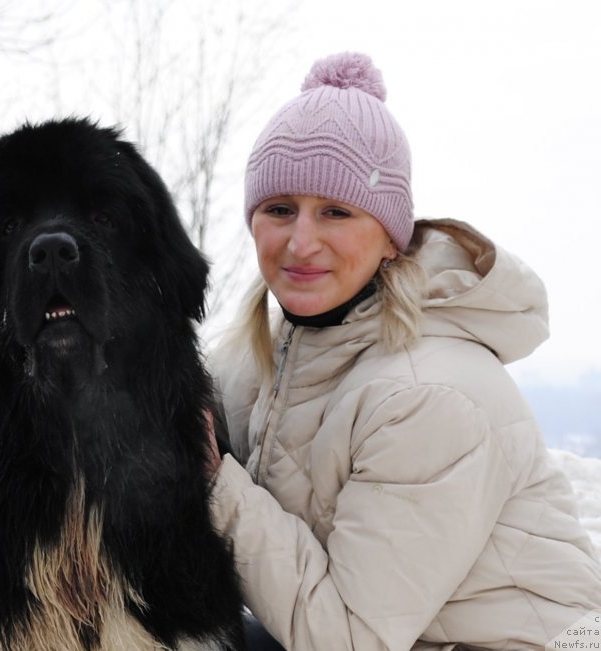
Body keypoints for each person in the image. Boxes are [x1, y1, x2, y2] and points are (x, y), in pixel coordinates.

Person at [205, 52, 601, 651]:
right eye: (279, 210)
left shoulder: (428, 393)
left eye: (336, 212)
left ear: (390, 238)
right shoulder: (266, 356)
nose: (300, 242)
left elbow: (345, 640)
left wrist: (216, 484)